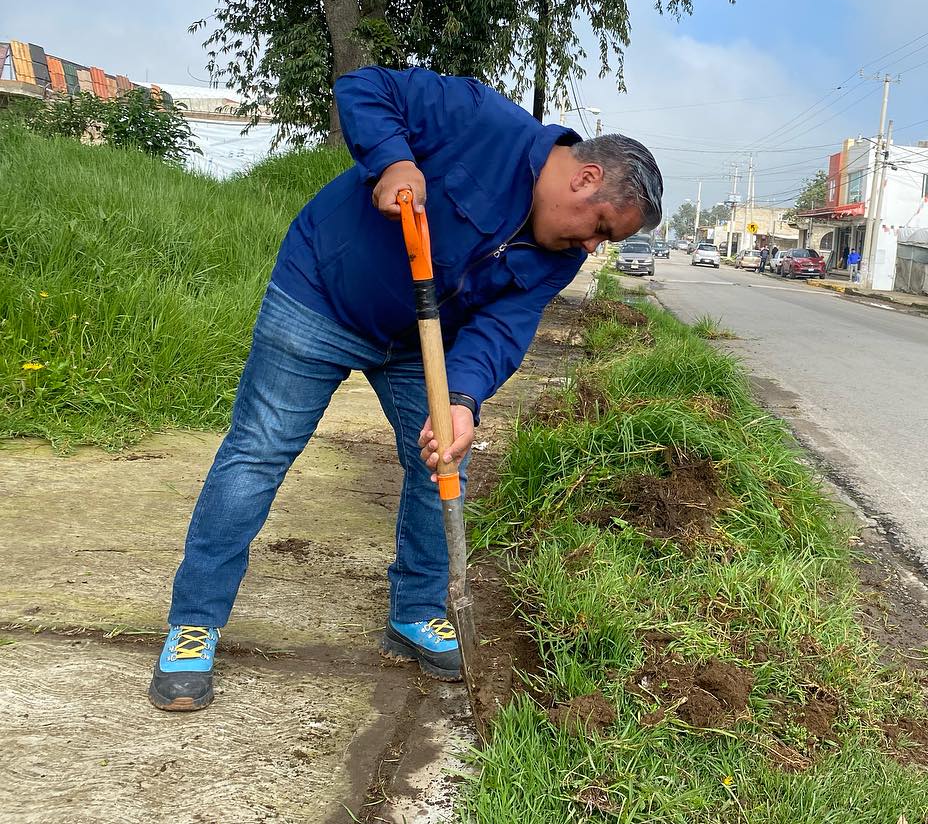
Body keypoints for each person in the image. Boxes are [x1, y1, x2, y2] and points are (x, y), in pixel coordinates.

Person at [149, 66, 662, 713]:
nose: (591, 248)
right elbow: (364, 88)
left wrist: (462, 399)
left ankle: (416, 611)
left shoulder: (557, 256)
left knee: (444, 454)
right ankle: (194, 622)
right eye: (601, 229)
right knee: (260, 450)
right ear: (586, 179)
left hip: (415, 340)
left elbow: (503, 328)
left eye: (604, 242)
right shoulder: (480, 119)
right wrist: (392, 160)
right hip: (321, 295)